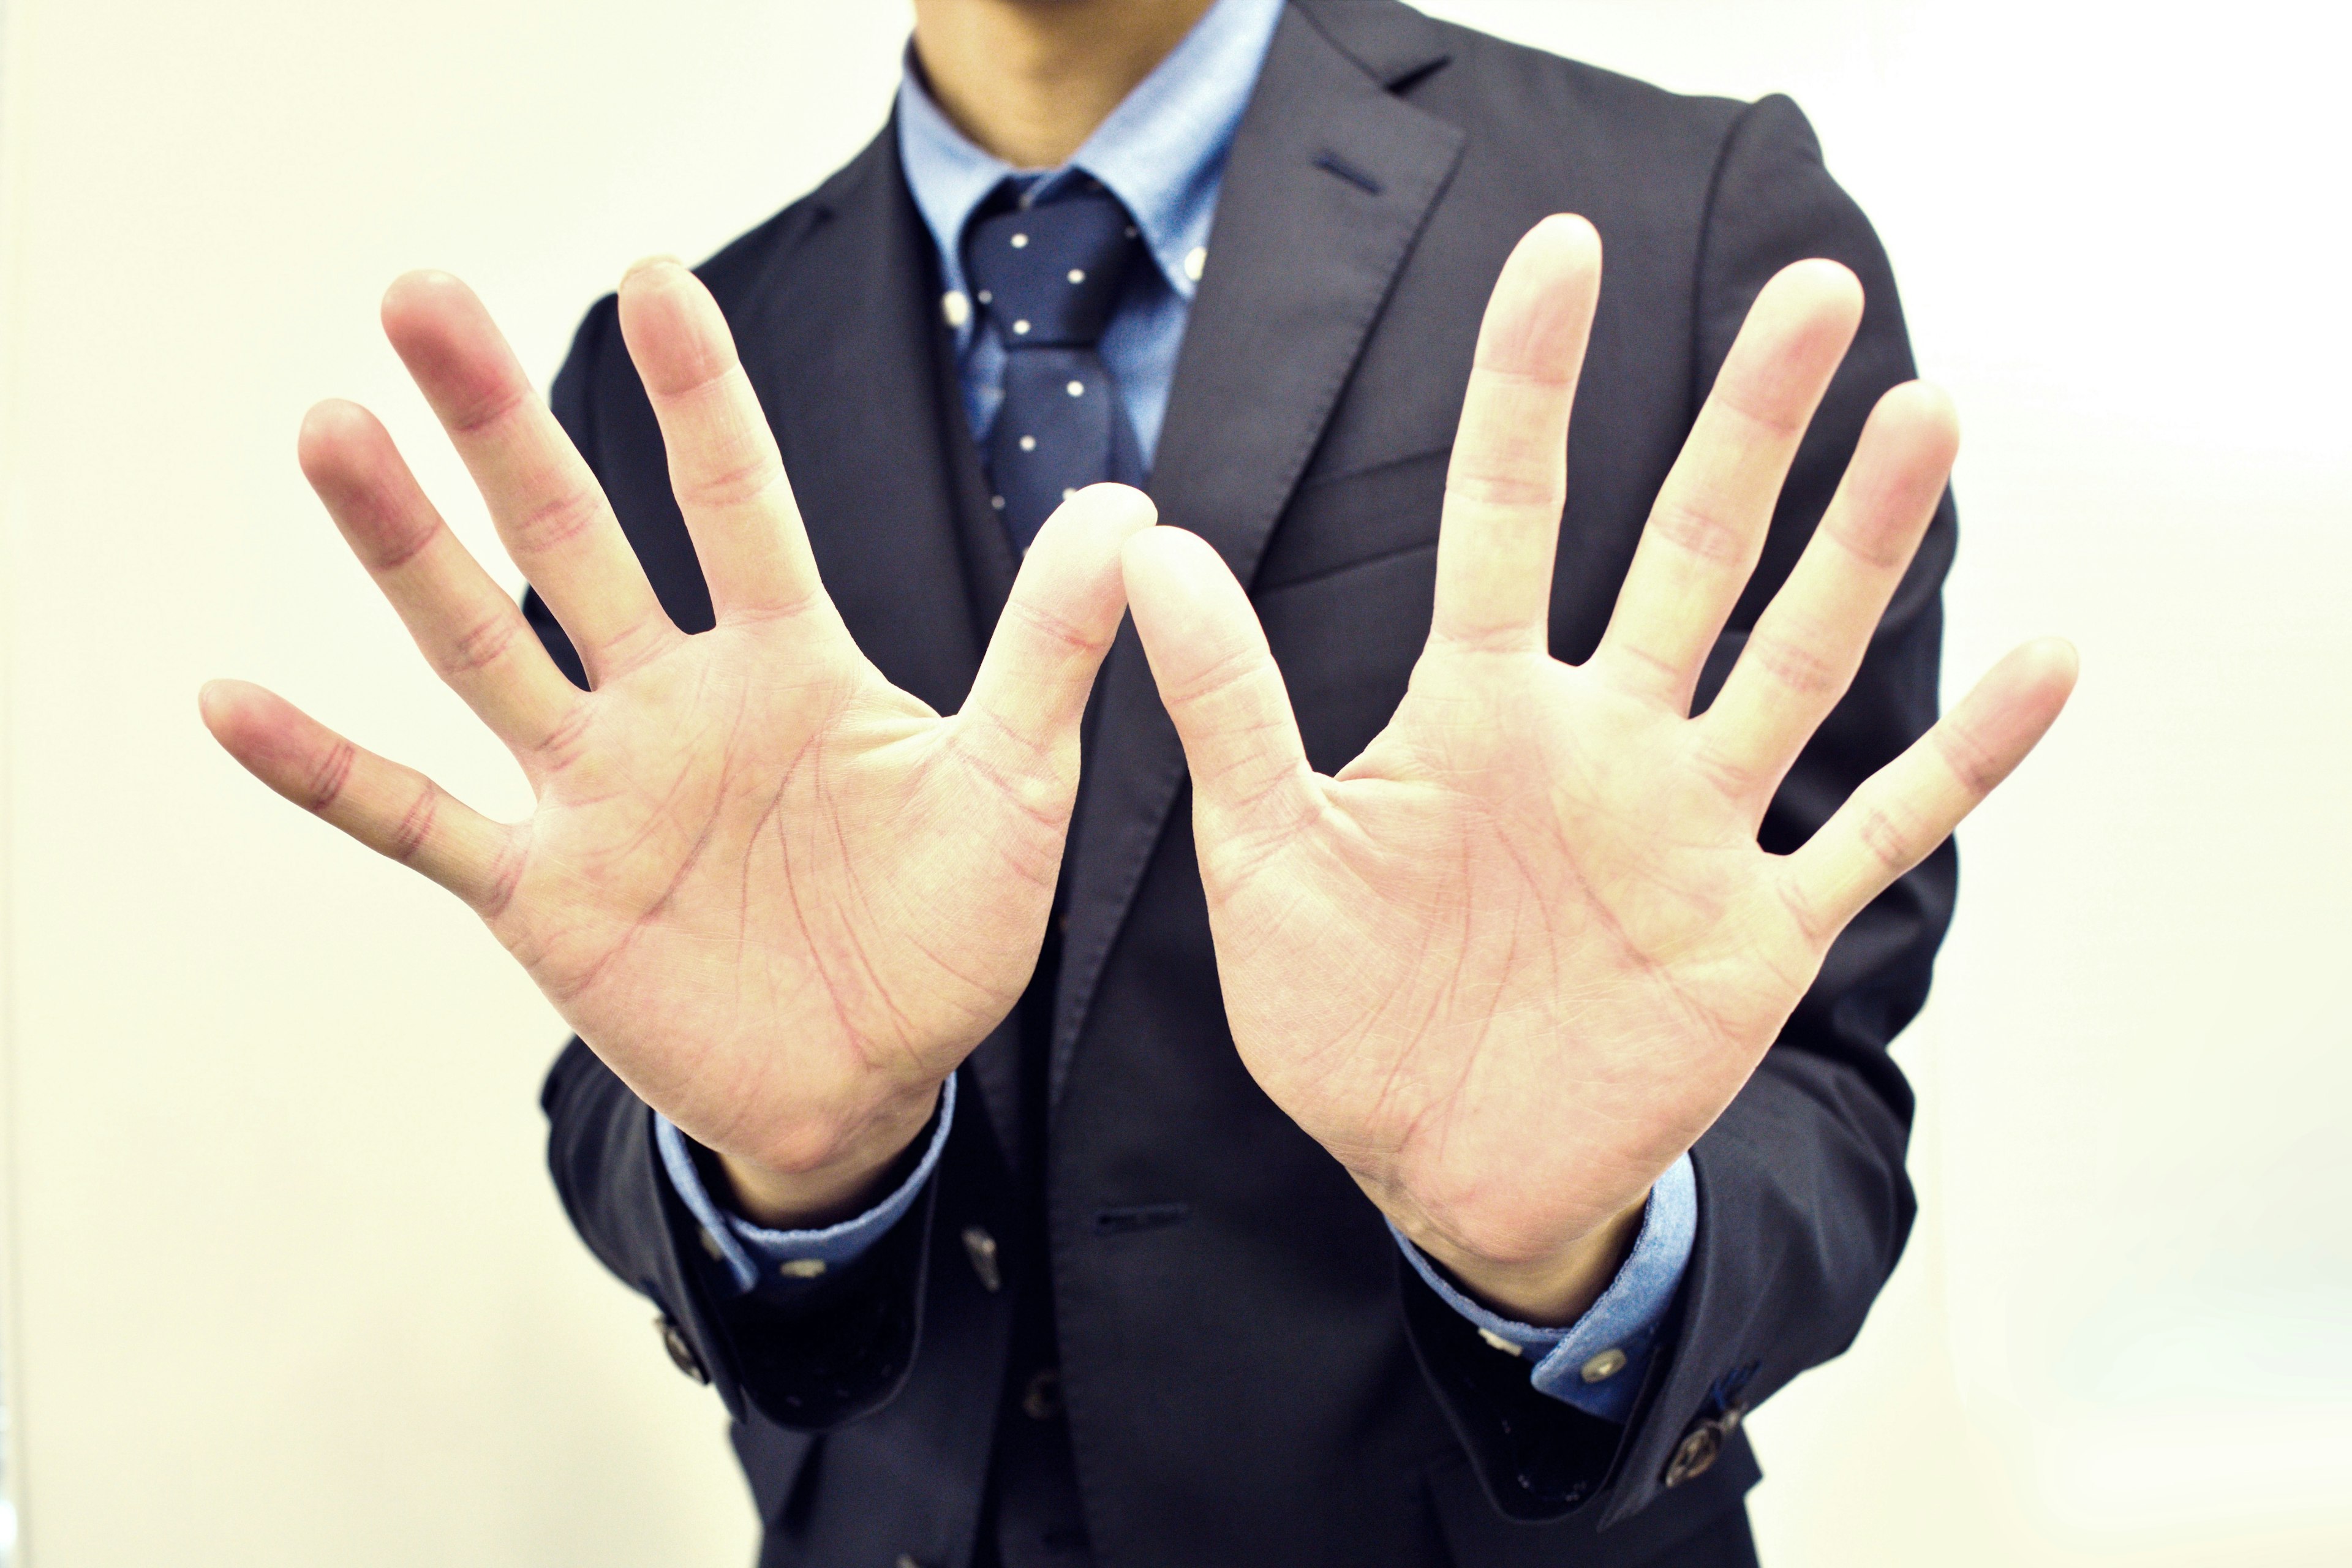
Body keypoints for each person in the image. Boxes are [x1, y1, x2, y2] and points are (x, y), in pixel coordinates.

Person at [201, 0, 2075, 1562]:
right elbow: (624, 1065)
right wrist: (794, 1171)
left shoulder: (1687, 226)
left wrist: (1572, 1253)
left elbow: (1819, 1077)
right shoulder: (680, 378)